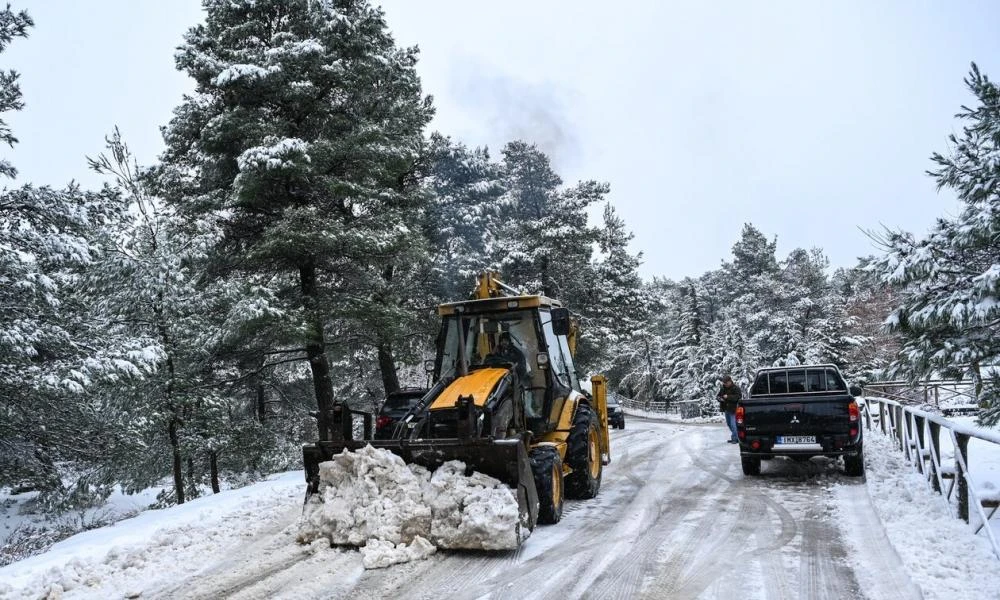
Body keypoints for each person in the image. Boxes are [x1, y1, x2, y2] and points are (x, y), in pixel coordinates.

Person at [717, 375, 741, 443]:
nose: (725, 384)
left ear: (730, 381)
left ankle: (735, 438)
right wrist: (719, 398)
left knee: (733, 424)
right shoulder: (723, 388)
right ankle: (736, 437)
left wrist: (728, 397)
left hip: (733, 409)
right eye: (724, 383)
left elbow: (738, 397)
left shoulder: (736, 388)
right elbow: (718, 396)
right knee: (729, 424)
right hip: (726, 409)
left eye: (726, 383)